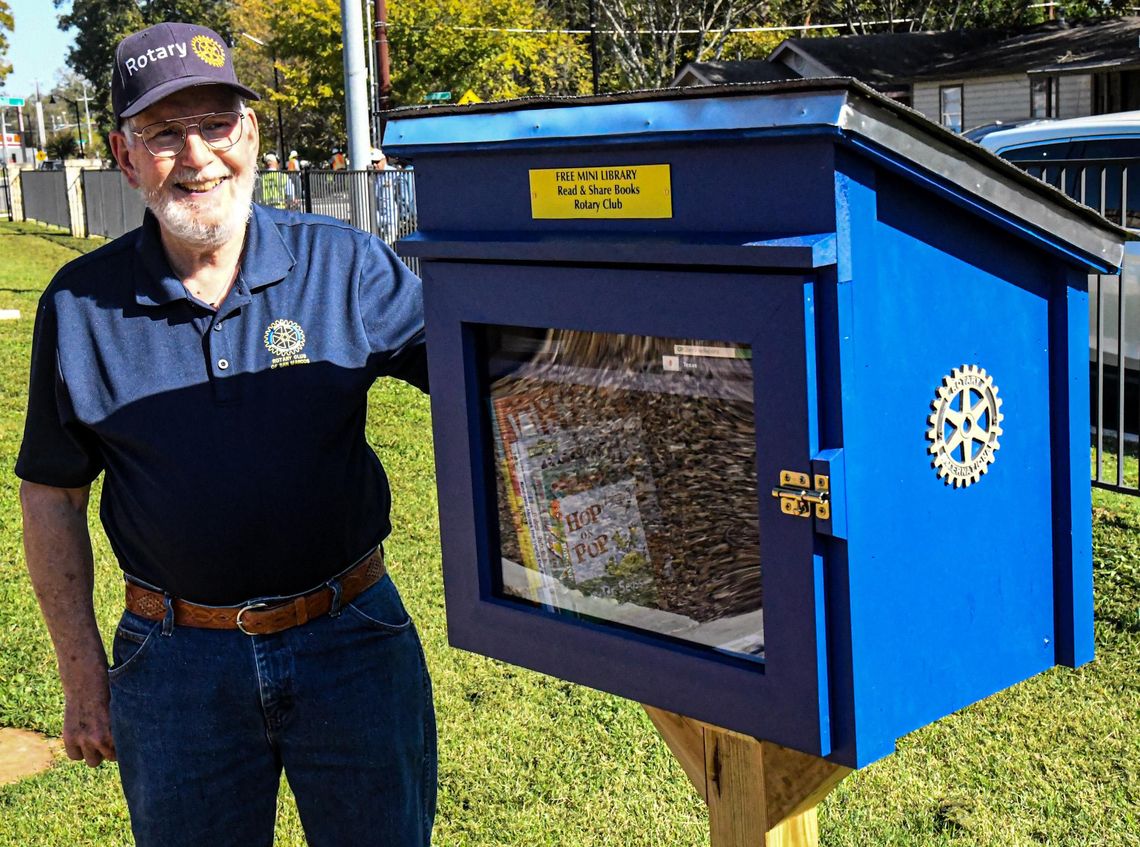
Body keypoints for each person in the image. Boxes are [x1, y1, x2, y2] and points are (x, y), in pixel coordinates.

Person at [16, 21, 435, 847]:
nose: (198, 154)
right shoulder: (78, 308)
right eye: (164, 133)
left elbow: (481, 368)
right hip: (174, 665)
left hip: (353, 643)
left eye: (216, 124)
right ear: (125, 155)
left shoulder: (344, 265)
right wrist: (81, 678)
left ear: (250, 132)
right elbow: (51, 494)